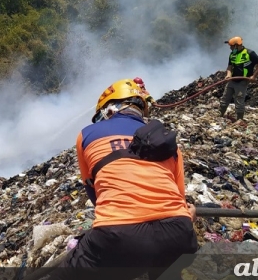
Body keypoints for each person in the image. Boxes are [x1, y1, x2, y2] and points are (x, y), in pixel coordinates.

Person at [49, 78, 198, 280]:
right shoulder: (168, 144)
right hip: (179, 234)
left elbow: (94, 195)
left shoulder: (86, 135)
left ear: (110, 108)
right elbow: (180, 199)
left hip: (118, 236)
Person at [219, 36, 258, 124]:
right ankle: (220, 114)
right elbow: (229, 67)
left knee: (239, 100)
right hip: (232, 80)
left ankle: (240, 119)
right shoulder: (233, 54)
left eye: (231, 46)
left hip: (242, 81)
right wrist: (228, 75)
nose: (230, 48)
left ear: (236, 46)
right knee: (225, 98)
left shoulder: (249, 53)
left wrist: (253, 76)